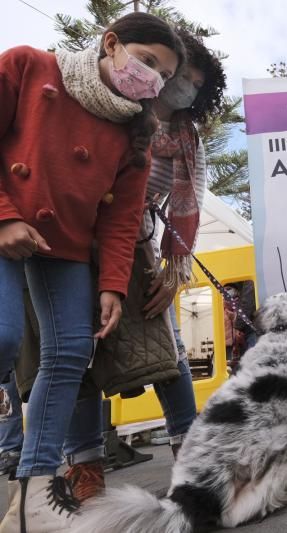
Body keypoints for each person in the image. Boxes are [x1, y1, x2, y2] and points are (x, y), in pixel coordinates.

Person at [0, 12, 183, 530]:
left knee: (72, 352)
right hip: (5, 220)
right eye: (146, 62)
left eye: (162, 76)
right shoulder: (28, 67)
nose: (152, 80)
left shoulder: (135, 135)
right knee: (4, 335)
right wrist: (5, 218)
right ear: (110, 43)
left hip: (67, 249)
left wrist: (111, 288)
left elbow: (122, 220)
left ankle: (34, 499)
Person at [50, 28, 226, 503]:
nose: (178, 85)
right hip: (76, 235)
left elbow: (190, 203)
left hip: (140, 246)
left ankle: (191, 451)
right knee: (77, 351)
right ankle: (83, 466)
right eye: (173, 76)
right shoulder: (114, 109)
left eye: (190, 81)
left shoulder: (189, 140)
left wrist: (176, 271)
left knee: (167, 346)